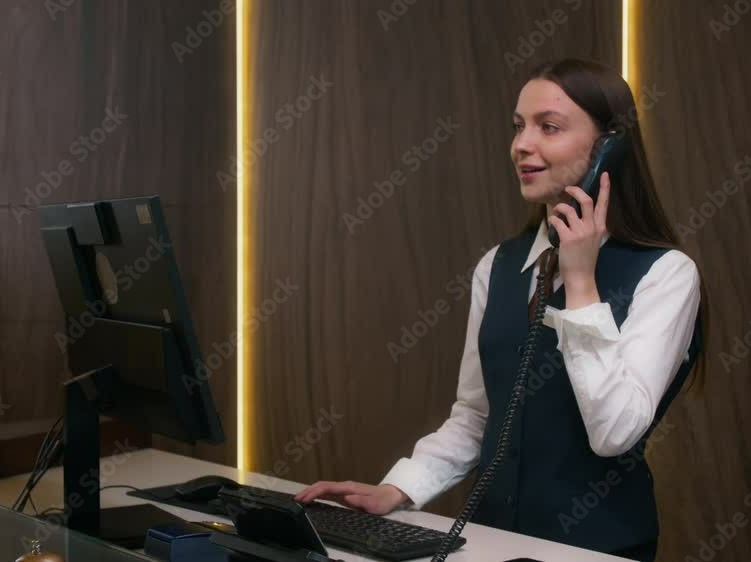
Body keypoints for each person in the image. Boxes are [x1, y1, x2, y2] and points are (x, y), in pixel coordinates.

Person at [295, 58, 709, 562]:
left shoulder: (667, 274)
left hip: (600, 551)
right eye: (518, 127)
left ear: (609, 147)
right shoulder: (499, 266)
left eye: (548, 127)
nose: (522, 145)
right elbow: (476, 415)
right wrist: (400, 488)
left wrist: (580, 281)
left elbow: (614, 434)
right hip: (490, 545)